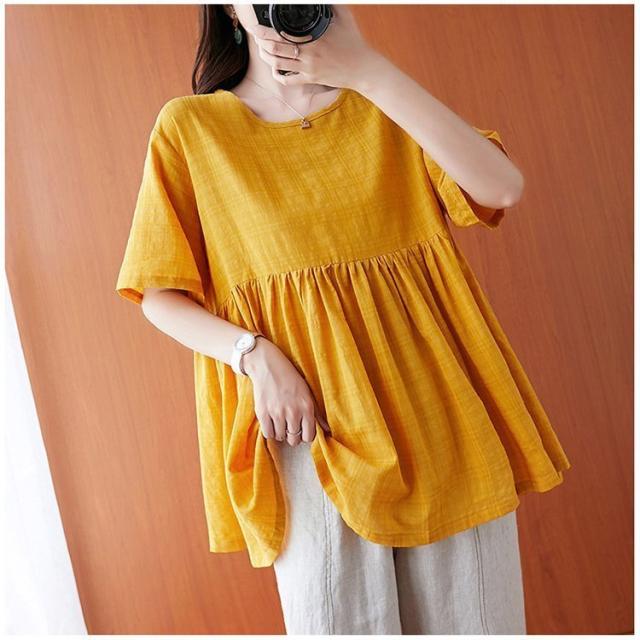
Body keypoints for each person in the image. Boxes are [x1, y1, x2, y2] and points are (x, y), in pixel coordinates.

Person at [115, 4, 572, 634]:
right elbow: (159, 294)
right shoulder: (193, 128)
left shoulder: (383, 102)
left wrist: (369, 70)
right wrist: (253, 354)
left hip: (441, 416)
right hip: (306, 427)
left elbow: (501, 187)